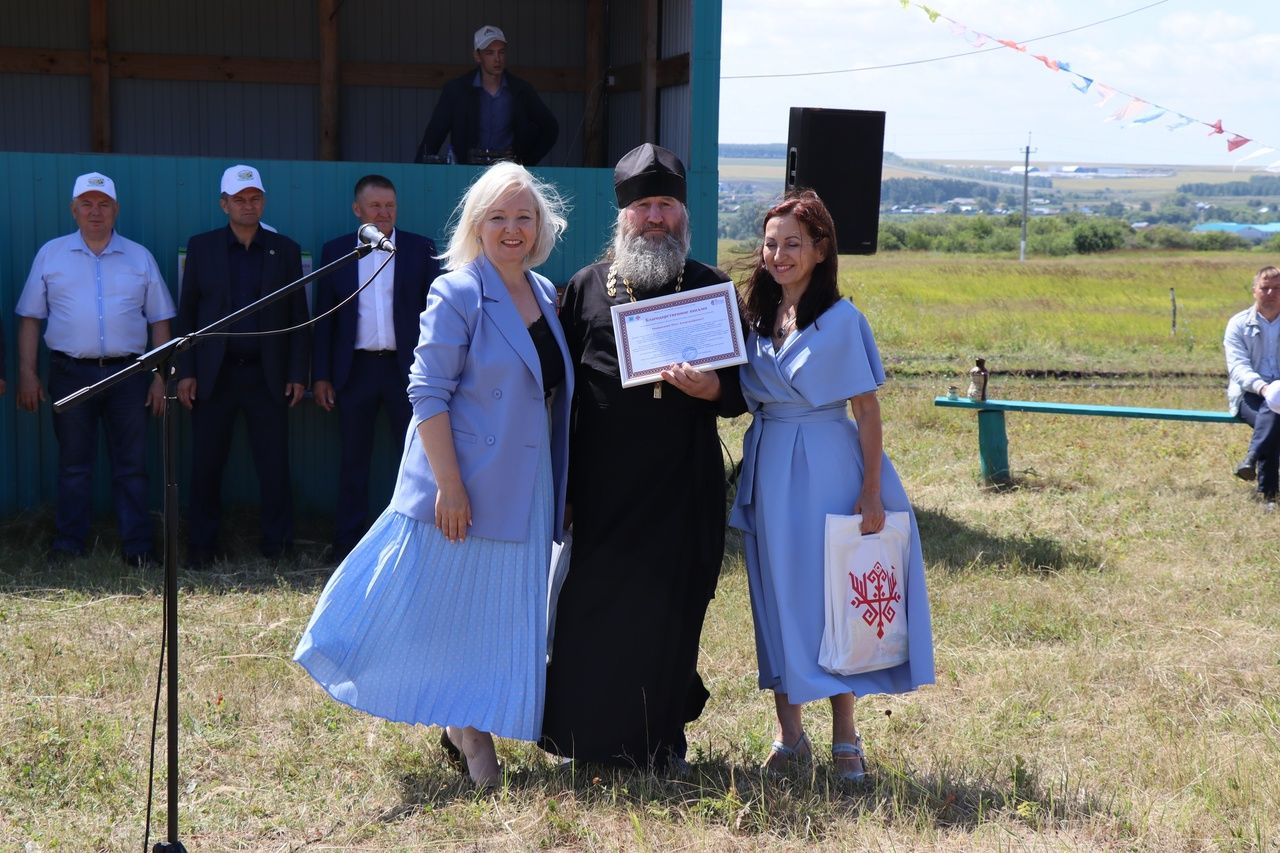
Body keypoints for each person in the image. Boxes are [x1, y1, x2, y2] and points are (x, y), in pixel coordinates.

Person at [294, 162, 572, 789]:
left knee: (498, 615)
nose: (511, 228)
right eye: (497, 216)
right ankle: (472, 735)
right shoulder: (458, 290)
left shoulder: (550, 294)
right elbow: (427, 393)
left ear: (541, 225)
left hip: (527, 485)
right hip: (466, 485)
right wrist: (449, 484)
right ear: (476, 223)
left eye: (523, 216)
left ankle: (462, 719)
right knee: (452, 612)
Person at [539, 143, 747, 772]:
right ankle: (586, 744)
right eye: (644, 206)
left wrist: (708, 387)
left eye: (667, 205)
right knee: (593, 613)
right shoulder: (584, 289)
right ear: (623, 214)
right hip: (603, 489)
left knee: (672, 615)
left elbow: (739, 393)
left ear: (683, 213)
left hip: (683, 488)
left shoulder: (711, 288)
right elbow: (562, 394)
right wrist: (566, 489)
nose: (656, 217)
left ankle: (661, 744)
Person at [728, 190, 934, 782]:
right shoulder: (755, 316)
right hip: (769, 467)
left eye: (793, 243)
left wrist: (871, 491)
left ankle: (847, 738)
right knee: (776, 595)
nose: (779, 253)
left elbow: (867, 412)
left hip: (826, 464)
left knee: (834, 594)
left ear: (820, 249)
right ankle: (789, 735)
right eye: (770, 243)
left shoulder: (843, 321)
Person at [15, 171, 175, 565]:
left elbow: (160, 322)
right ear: (74, 210)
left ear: (115, 210)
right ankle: (69, 544)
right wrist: (28, 373)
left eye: (103, 204)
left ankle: (137, 548)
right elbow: (31, 318)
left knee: (132, 467)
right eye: (86, 204)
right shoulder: (51, 254)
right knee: (73, 465)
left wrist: (159, 376)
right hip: (70, 373)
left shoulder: (140, 257)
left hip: (130, 375)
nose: (95, 212)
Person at [175, 164, 310, 565]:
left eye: (254, 198)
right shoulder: (202, 248)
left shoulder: (284, 249)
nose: (247, 205)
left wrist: (296, 373)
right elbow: (188, 315)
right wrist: (186, 371)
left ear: (263, 201)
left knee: (273, 465)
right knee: (206, 465)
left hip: (266, 376)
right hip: (214, 376)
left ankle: (278, 547)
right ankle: (201, 547)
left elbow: (299, 318)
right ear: (224, 204)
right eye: (239, 199)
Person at [312, 175, 442, 560]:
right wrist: (320, 375)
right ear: (358, 211)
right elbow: (324, 320)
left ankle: (416, 542)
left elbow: (437, 319)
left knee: (418, 459)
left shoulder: (420, 249)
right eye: (376, 207)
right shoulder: (336, 251)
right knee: (354, 459)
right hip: (356, 371)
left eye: (390, 206)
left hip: (408, 371)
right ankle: (348, 542)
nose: (384, 214)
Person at [414, 24, 559, 166]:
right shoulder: (457, 91)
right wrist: (418, 175)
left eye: (501, 52)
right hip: (466, 174)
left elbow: (550, 128)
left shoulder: (521, 90)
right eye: (490, 53)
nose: (497, 59)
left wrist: (525, 162)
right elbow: (433, 136)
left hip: (507, 175)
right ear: (477, 56)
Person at [1225, 265, 1280, 510]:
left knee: (1274, 408)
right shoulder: (1238, 324)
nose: (1270, 293)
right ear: (1254, 291)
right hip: (1249, 395)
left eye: (1277, 288)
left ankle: (1252, 459)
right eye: (1264, 288)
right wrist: (1264, 388)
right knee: (1272, 414)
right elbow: (1237, 368)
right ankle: (1269, 494)